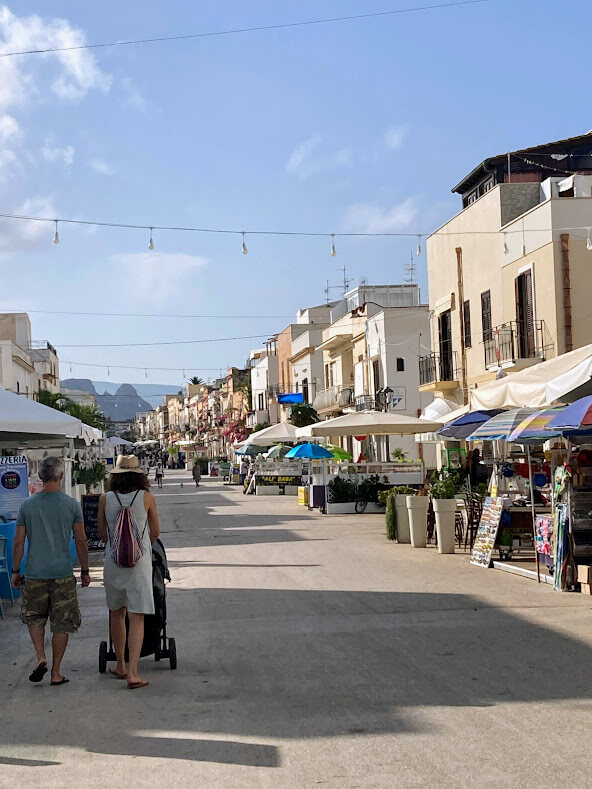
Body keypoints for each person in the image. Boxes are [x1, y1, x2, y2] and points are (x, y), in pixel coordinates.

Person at [11, 456, 90, 686]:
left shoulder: (27, 505)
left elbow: (18, 541)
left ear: (40, 477)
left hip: (35, 572)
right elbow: (81, 540)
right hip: (62, 573)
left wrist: (16, 570)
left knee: (34, 617)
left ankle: (40, 656)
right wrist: (85, 570)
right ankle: (56, 673)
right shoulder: (72, 505)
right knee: (62, 623)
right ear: (61, 476)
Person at [98, 455, 160, 689]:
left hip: (113, 563)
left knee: (116, 613)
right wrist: (140, 547)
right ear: (138, 476)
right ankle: (134, 672)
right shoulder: (147, 498)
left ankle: (121, 665)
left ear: (115, 476)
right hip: (139, 564)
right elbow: (156, 531)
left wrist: (117, 546)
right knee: (137, 616)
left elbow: (102, 534)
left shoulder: (106, 498)